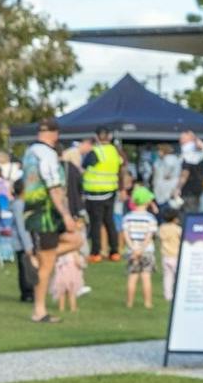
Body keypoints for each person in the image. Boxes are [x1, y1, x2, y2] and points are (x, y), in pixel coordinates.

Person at [22, 121, 81, 323]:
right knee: (47, 266)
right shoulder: (47, 154)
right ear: (55, 134)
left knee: (75, 241)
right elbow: (54, 187)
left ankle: (36, 258)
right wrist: (65, 215)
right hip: (44, 215)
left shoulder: (30, 152)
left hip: (35, 212)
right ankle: (39, 311)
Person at [81, 127, 123, 262]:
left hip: (95, 192)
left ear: (97, 136)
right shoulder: (114, 151)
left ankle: (96, 253)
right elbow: (120, 167)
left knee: (95, 223)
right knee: (109, 221)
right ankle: (114, 251)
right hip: (111, 191)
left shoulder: (95, 151)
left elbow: (84, 165)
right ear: (109, 136)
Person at [120, 196, 158, 309]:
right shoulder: (150, 218)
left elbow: (125, 234)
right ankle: (148, 303)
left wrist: (133, 247)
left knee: (132, 277)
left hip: (132, 249)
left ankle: (129, 303)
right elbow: (149, 235)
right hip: (147, 250)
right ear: (147, 202)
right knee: (146, 277)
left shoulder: (127, 217)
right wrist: (142, 248)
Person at [178, 131, 203, 212]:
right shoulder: (197, 153)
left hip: (189, 191)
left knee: (188, 213)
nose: (180, 140)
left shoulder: (189, 154)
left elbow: (185, 173)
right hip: (196, 190)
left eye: (182, 138)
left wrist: (178, 188)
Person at [158, 207, 183, 302]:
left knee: (167, 276)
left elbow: (160, 237)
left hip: (165, 256)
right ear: (175, 219)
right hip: (176, 256)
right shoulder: (177, 229)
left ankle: (167, 295)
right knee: (178, 277)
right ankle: (177, 293)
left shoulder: (162, 228)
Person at [50, 248, 84, 315]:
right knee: (71, 293)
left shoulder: (61, 252)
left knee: (61, 292)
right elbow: (78, 262)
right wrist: (81, 265)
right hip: (71, 275)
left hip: (61, 275)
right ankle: (73, 308)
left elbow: (56, 261)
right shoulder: (74, 251)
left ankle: (61, 308)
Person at [151, 141, 182, 210]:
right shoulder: (160, 160)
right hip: (161, 192)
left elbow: (167, 174)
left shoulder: (170, 159)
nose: (158, 152)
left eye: (159, 150)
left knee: (167, 210)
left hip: (167, 192)